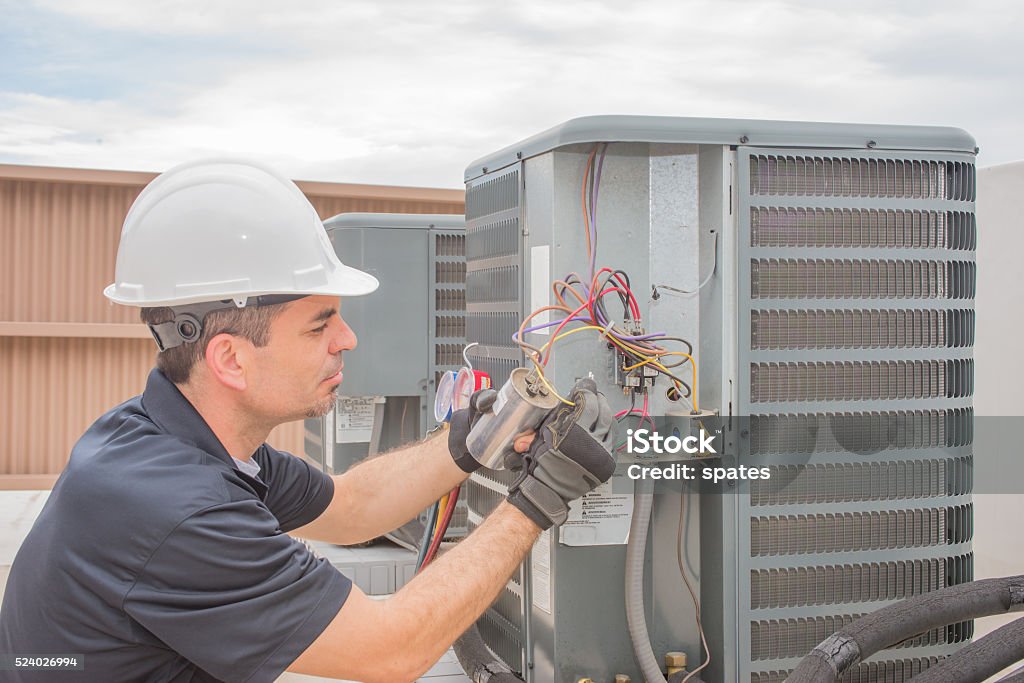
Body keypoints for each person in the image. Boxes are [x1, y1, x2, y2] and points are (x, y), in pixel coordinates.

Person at [0, 160, 616, 683]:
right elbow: (390, 648)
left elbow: (348, 508)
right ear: (230, 359)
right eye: (320, 324)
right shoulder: (178, 511)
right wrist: (539, 501)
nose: (346, 339)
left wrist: (471, 439)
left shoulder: (170, 436)